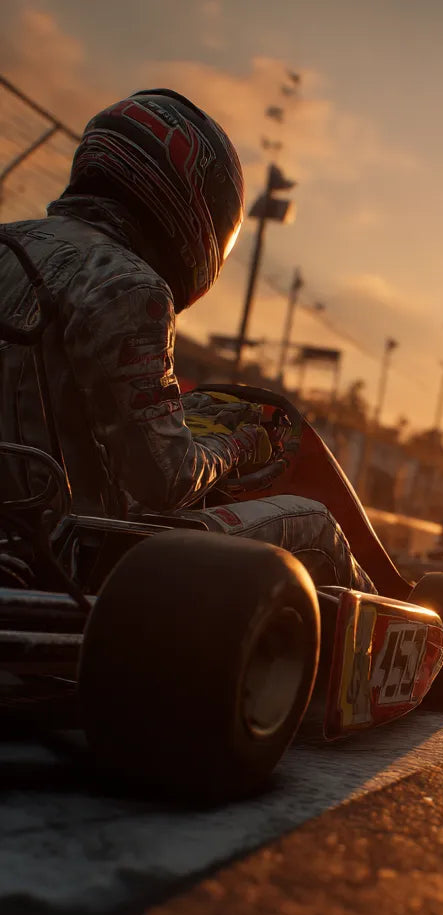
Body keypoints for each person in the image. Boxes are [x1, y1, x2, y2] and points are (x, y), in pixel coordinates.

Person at [0, 88, 372, 590]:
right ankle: (429, 654)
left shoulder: (9, 241)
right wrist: (239, 443)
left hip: (19, 538)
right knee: (317, 523)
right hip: (72, 559)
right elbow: (165, 481)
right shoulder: (128, 284)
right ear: (188, 195)